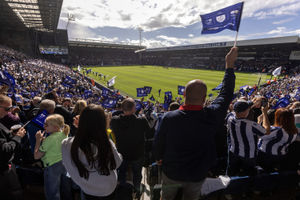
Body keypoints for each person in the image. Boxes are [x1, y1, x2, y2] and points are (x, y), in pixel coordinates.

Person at [154, 47, 238, 200]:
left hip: (172, 172)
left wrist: (159, 157)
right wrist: (229, 65)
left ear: (184, 94)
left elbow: (158, 144)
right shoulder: (212, 116)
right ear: (205, 97)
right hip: (197, 174)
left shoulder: (168, 117)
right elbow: (226, 93)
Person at [62, 104, 122, 200]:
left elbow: (69, 166)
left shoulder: (66, 144)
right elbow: (117, 163)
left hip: (86, 187)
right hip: (107, 188)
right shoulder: (106, 142)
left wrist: (81, 129)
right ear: (102, 123)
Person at [110, 98, 150, 198]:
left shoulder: (115, 121)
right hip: (137, 154)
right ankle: (137, 191)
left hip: (122, 154)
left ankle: (122, 192)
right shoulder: (141, 120)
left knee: (122, 173)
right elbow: (150, 134)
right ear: (133, 109)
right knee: (137, 174)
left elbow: (117, 117)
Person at [226, 100, 270, 176]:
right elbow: (267, 131)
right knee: (249, 173)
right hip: (248, 155)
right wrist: (264, 113)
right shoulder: (251, 125)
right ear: (245, 112)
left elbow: (234, 112)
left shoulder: (230, 117)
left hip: (233, 151)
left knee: (231, 171)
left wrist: (252, 105)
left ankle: (229, 184)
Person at [34, 114, 70, 200]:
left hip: (52, 167)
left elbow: (36, 156)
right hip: (64, 164)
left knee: (52, 192)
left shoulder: (49, 139)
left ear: (55, 127)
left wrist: (38, 141)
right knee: (65, 190)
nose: (44, 126)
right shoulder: (64, 134)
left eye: (46, 124)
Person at [0, 95, 26, 200]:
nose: (10, 111)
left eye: (11, 108)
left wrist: (10, 134)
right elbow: (5, 150)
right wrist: (18, 137)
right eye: (7, 109)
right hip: (3, 171)